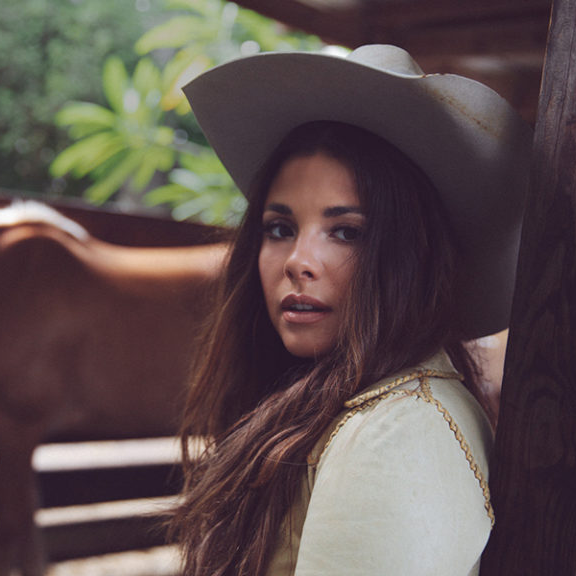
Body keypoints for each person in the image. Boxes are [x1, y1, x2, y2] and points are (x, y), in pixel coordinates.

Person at [169, 45, 532, 575]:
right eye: (280, 228)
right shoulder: (345, 401)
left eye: (346, 232)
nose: (298, 261)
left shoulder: (395, 434)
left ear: (410, 256)